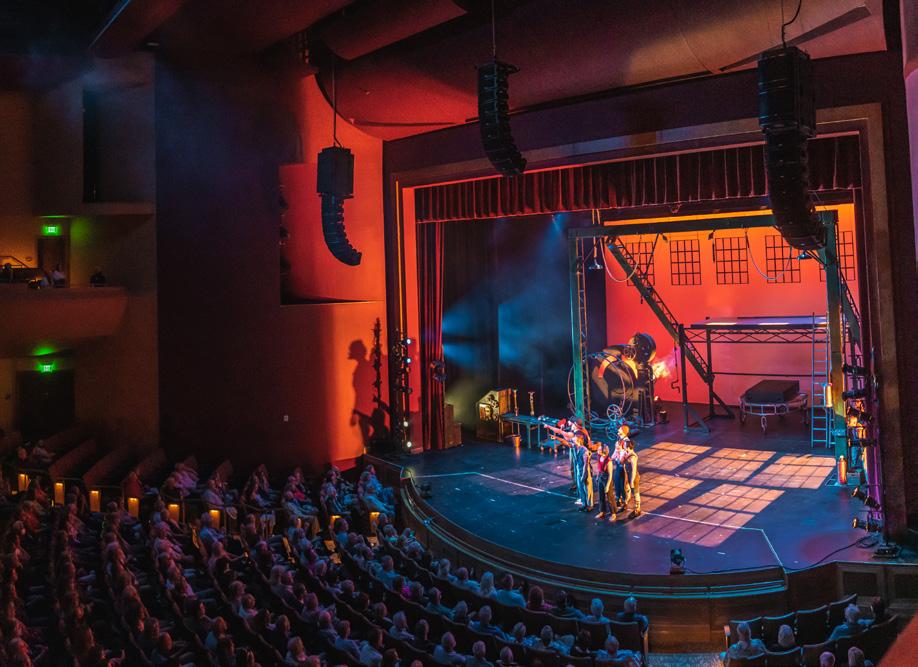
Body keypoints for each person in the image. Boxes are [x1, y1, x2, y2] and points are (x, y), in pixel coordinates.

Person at [595, 442, 615, 519]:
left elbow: (610, 475)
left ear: (604, 450)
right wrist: (597, 477)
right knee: (601, 495)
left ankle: (613, 513)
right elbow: (598, 468)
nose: (598, 450)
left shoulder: (608, 460)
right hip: (601, 477)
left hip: (607, 478)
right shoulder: (599, 457)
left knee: (610, 497)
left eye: (599, 449)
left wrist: (607, 485)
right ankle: (602, 511)